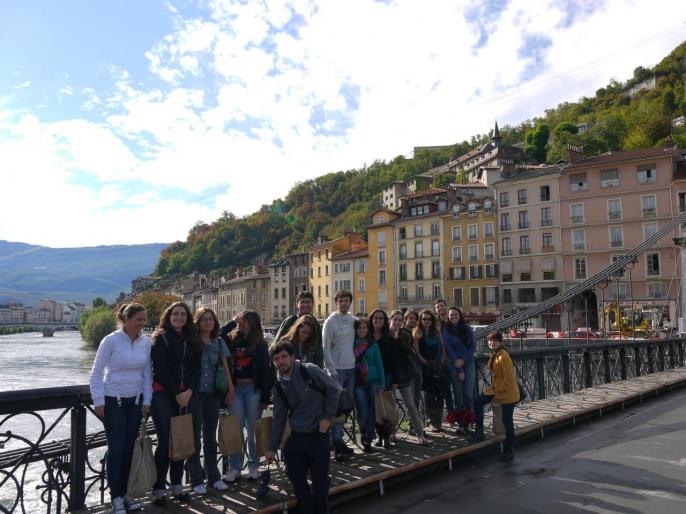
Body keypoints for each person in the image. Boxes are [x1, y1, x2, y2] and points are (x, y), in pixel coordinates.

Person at [89, 303, 151, 514]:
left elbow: (147, 374)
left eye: (144, 319)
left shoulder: (145, 342)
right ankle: (116, 497)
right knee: (117, 449)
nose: (142, 324)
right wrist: (98, 400)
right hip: (112, 401)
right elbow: (96, 372)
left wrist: (147, 400)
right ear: (126, 319)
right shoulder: (110, 341)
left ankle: (126, 494)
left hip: (135, 402)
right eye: (138, 320)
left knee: (129, 449)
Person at [266, 339, 340, 514]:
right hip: (298, 434)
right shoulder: (278, 386)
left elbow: (334, 390)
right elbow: (279, 418)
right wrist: (271, 447)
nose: (281, 362)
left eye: (284, 357)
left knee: (320, 482)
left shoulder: (309, 370)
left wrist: (327, 418)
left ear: (292, 357)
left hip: (318, 433)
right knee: (295, 476)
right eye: (276, 359)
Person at [150, 301, 202, 503]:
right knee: (164, 441)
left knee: (179, 439)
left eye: (183, 314)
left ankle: (177, 485)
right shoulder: (161, 338)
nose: (179, 317)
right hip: (163, 394)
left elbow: (197, 368)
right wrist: (176, 393)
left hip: (185, 394)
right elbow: (160, 369)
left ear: (187, 318)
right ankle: (158, 487)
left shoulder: (192, 339)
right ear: (169, 316)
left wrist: (189, 390)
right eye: (175, 314)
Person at [188, 307, 234, 494]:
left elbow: (225, 367)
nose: (208, 322)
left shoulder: (219, 342)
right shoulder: (191, 341)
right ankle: (196, 480)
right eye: (204, 319)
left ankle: (213, 477)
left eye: (211, 319)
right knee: (194, 438)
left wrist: (230, 389)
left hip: (213, 394)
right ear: (197, 322)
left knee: (210, 437)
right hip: (195, 393)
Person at [223, 310, 273, 482]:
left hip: (253, 389)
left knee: (252, 430)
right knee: (235, 429)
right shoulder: (231, 339)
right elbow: (219, 334)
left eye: (244, 320)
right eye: (240, 320)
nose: (240, 323)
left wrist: (266, 398)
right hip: (235, 389)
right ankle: (235, 467)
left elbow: (266, 371)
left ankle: (253, 466)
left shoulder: (260, 343)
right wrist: (231, 321)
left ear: (252, 323)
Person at [471, 331, 520, 462]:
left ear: (500, 342)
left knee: (507, 421)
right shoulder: (495, 354)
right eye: (490, 341)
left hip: (507, 392)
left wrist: (498, 392)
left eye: (495, 340)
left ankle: (509, 450)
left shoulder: (504, 355)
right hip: (496, 389)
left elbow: (509, 378)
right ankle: (479, 431)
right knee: (478, 402)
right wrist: (495, 391)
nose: (492, 343)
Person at [322, 290, 356, 457]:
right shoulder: (330, 321)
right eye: (341, 301)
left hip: (351, 368)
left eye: (346, 300)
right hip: (337, 371)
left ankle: (339, 440)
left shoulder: (353, 320)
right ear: (336, 302)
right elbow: (325, 347)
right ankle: (335, 441)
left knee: (346, 407)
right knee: (335, 408)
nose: (343, 303)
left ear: (350, 302)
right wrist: (331, 369)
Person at [389, 310, 429, 445]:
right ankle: (392, 433)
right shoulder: (384, 335)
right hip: (390, 376)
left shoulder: (405, 334)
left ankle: (420, 433)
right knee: (391, 406)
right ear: (391, 320)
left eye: (400, 320)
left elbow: (407, 352)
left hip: (403, 375)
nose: (398, 323)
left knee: (411, 404)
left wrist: (397, 339)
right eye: (396, 320)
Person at [352, 317, 385, 453]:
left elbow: (379, 364)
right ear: (355, 330)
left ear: (368, 329)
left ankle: (368, 440)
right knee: (362, 410)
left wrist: (382, 383)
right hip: (358, 381)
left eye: (364, 327)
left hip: (373, 380)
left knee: (372, 410)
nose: (362, 330)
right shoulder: (351, 344)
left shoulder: (373, 344)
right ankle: (363, 431)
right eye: (359, 328)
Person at [442, 306, 477, 433]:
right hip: (454, 364)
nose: (453, 317)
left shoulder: (467, 329)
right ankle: (461, 424)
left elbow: (473, 347)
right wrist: (459, 369)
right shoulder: (446, 330)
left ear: (460, 315)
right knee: (458, 396)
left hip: (468, 362)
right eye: (451, 315)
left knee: (468, 394)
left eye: (456, 314)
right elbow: (449, 348)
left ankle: (469, 421)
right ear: (448, 316)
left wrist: (464, 361)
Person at [413, 309, 449, 432]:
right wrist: (426, 363)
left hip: (439, 366)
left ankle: (438, 421)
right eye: (424, 319)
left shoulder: (436, 332)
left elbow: (443, 347)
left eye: (429, 319)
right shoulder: (418, 333)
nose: (427, 321)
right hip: (427, 366)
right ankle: (431, 421)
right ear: (421, 320)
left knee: (440, 393)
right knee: (429, 394)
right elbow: (417, 352)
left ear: (432, 320)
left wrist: (442, 362)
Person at [402, 310, 422, 414]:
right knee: (410, 401)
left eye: (415, 319)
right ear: (405, 320)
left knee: (416, 399)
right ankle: (412, 426)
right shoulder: (401, 333)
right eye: (411, 318)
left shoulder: (415, 333)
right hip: (408, 371)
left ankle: (415, 424)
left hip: (417, 369)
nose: (413, 320)